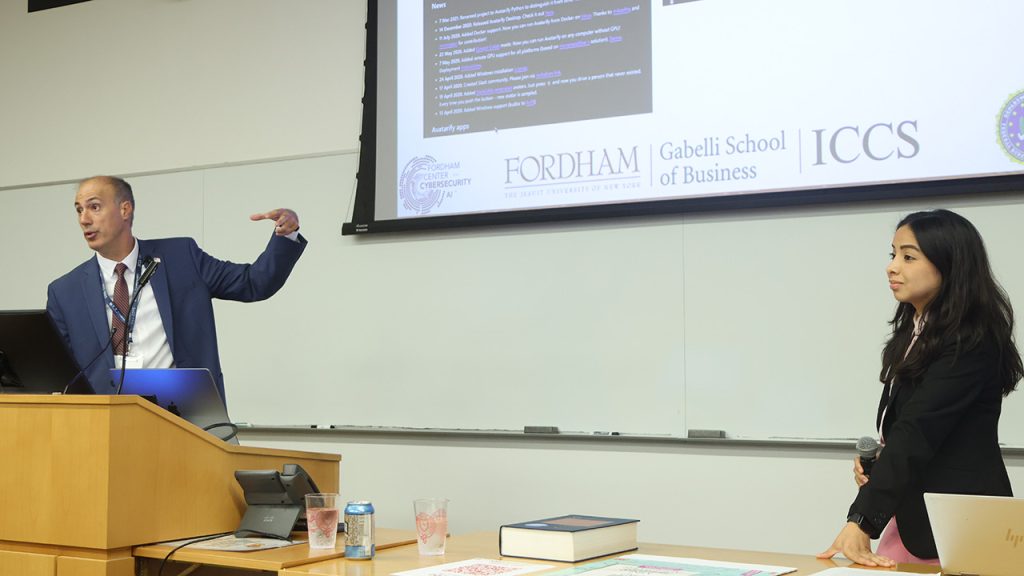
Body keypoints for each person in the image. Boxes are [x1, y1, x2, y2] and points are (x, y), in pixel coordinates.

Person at [818, 209, 1023, 566]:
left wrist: (861, 520)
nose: (892, 267)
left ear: (950, 265)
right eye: (893, 254)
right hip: (912, 515)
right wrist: (881, 461)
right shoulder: (915, 331)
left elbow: (918, 431)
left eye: (908, 257)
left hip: (961, 525)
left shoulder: (972, 341)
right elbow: (910, 429)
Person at [46, 175, 306, 402]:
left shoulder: (181, 258)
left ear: (125, 210)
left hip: (182, 413)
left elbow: (254, 283)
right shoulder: (65, 291)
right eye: (79, 210)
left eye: (94, 207)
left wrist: (287, 234)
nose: (84, 219)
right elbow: (56, 376)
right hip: (105, 426)